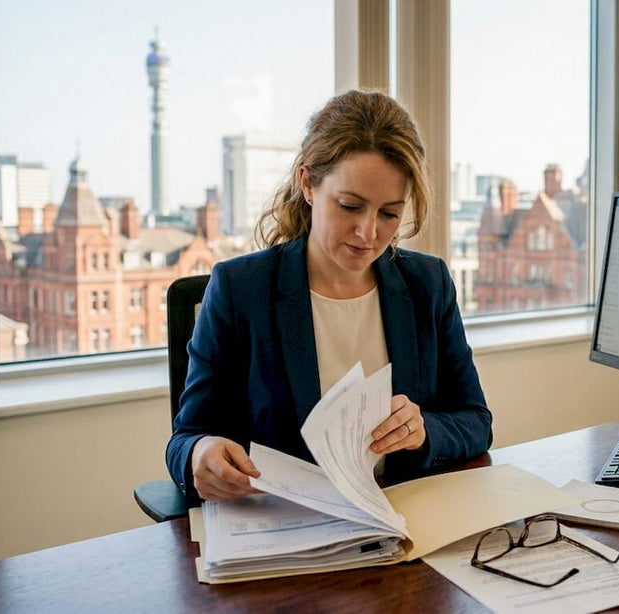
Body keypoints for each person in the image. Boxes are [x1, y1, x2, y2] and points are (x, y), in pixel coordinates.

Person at [165, 89, 492, 502]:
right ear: (307, 184)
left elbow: (476, 421)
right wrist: (199, 454)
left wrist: (423, 429)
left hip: (401, 518)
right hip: (286, 524)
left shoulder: (428, 284)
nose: (369, 233)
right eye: (350, 206)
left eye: (389, 213)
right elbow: (187, 437)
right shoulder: (239, 288)